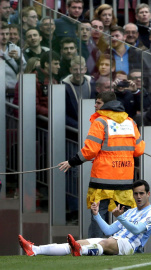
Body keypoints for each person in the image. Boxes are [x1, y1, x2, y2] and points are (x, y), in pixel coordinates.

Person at [58, 91, 145, 238]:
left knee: (98, 214)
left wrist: (72, 162)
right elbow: (139, 150)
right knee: (127, 216)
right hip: (124, 178)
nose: (95, 105)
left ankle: (96, 246)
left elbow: (90, 151)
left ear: (106, 105)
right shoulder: (130, 122)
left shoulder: (100, 122)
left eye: (98, 102)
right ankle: (128, 244)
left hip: (102, 178)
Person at [18, 180, 151, 256]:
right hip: (113, 240)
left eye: (141, 193)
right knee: (78, 242)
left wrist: (120, 218)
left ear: (148, 194)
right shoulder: (130, 212)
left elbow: (137, 229)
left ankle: (82, 251)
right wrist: (96, 215)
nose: (138, 197)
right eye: (136, 194)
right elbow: (109, 230)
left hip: (129, 246)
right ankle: (34, 249)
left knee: (104, 244)